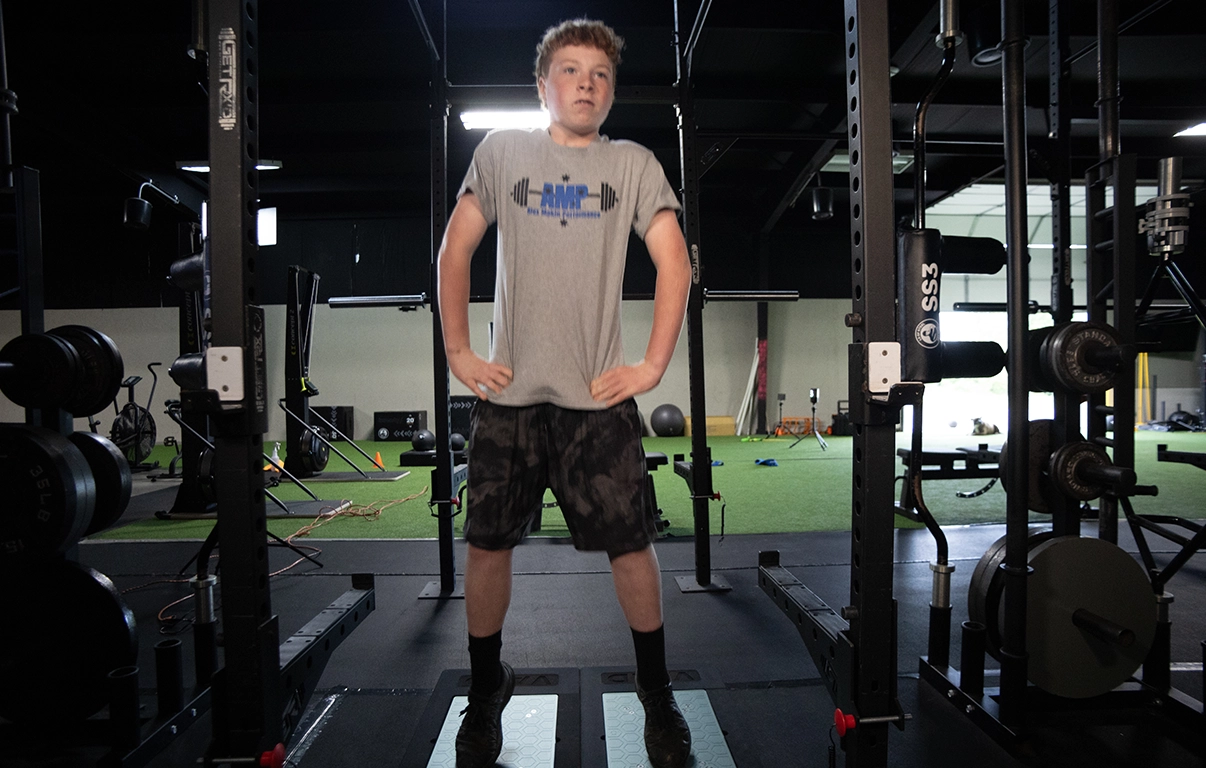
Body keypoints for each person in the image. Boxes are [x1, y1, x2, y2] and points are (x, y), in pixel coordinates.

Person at [436, 17, 693, 768]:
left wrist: (649, 367)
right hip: (509, 398)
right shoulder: (503, 152)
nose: (587, 83)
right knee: (487, 548)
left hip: (597, 403)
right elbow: (455, 248)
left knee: (632, 549)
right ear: (542, 86)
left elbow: (674, 264)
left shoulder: (634, 165)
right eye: (572, 71)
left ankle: (656, 695)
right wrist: (457, 349)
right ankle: (487, 692)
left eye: (601, 75)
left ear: (611, 92)